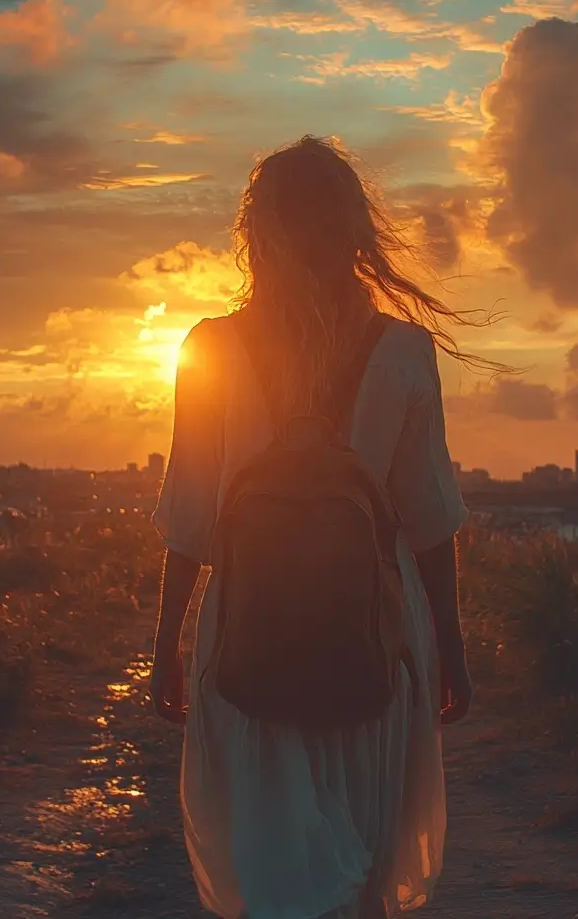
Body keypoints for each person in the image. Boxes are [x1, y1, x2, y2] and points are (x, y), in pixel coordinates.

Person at [150, 135, 489, 919]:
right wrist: (450, 653)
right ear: (356, 232)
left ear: (254, 233)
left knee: (268, 863)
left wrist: (165, 648)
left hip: (247, 635)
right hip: (372, 637)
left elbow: (190, 521)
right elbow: (431, 520)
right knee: (364, 866)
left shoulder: (209, 349)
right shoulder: (405, 351)